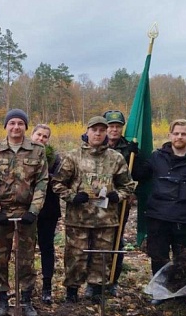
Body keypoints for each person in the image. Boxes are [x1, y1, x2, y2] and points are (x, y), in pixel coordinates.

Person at [50, 116, 135, 303]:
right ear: (87, 131)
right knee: (75, 256)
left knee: (101, 257)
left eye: (102, 130)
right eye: (94, 130)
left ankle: (96, 291)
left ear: (106, 133)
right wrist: (73, 196)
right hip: (78, 219)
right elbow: (57, 183)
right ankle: (72, 292)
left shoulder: (115, 158)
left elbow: (128, 186)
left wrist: (117, 196)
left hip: (106, 219)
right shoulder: (73, 157)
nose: (98, 133)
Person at [0, 109, 48, 316]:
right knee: (1, 257)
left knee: (26, 258)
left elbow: (42, 181)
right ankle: (2, 299)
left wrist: (34, 210)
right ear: (6, 126)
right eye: (11, 123)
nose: (16, 127)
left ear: (25, 127)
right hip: (1, 213)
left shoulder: (37, 151)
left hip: (26, 212)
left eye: (20, 123)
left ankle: (25, 300)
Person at [145, 119, 186, 311]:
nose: (179, 137)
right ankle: (160, 293)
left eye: (184, 134)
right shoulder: (156, 158)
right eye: (176, 133)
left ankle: (183, 296)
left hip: (185, 219)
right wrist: (132, 152)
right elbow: (139, 175)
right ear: (170, 135)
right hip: (158, 217)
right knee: (158, 258)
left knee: (185, 261)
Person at [102, 109, 149, 296]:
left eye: (117, 127)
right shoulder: (94, 143)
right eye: (110, 126)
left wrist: (135, 158)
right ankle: (94, 280)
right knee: (96, 240)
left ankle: (113, 279)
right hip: (96, 202)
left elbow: (142, 175)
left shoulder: (130, 148)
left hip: (119, 202)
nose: (113, 130)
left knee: (116, 240)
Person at [30, 124, 62, 305]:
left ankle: (47, 287)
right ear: (32, 135)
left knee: (46, 248)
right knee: (25, 250)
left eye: (45, 136)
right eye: (38, 135)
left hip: (48, 209)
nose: (41, 139)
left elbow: (59, 180)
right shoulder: (24, 154)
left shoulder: (55, 158)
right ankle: (26, 286)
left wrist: (47, 176)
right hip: (26, 209)